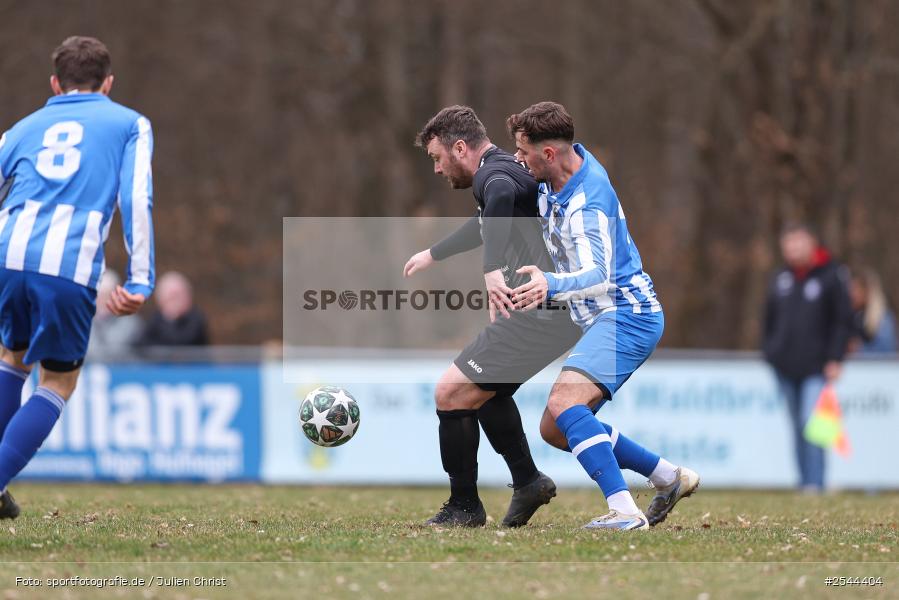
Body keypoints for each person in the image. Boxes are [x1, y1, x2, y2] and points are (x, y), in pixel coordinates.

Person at [506, 102, 699, 530]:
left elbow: (600, 274)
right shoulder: (556, 175)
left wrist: (549, 284)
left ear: (550, 153)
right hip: (606, 318)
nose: (519, 158)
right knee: (556, 427)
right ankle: (668, 477)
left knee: (563, 403)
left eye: (523, 150)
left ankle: (624, 512)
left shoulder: (587, 201)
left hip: (628, 315)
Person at [404, 105, 582, 527]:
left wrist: (490, 272)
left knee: (450, 392)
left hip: (541, 312)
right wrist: (433, 253)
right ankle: (527, 481)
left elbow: (498, 197)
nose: (437, 169)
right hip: (550, 312)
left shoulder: (493, 176)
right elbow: (488, 216)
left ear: (460, 147)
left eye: (437, 157)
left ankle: (465, 507)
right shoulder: (502, 164)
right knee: (482, 392)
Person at [0, 36, 154, 517]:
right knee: (59, 382)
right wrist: (141, 277)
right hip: (66, 265)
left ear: (54, 83)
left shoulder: (20, 128)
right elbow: (136, 199)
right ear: (108, 84)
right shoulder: (130, 123)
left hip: (7, 254)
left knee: (11, 357)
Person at [762, 223, 851, 492]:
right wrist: (770, 352)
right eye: (787, 243)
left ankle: (816, 483)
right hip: (784, 367)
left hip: (817, 367)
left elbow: (842, 321)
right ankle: (804, 483)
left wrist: (835, 358)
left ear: (811, 242)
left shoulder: (831, 275)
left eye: (797, 242)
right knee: (797, 428)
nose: (792, 249)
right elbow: (769, 319)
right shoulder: (781, 278)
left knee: (811, 424)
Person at [138, 271, 208, 346]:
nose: (175, 302)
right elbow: (141, 344)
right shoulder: (154, 319)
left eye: (177, 296)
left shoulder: (196, 319)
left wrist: (171, 319)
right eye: (171, 297)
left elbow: (181, 343)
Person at [86, 269, 143, 361]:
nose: (103, 300)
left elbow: (120, 353)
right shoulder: (83, 321)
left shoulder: (131, 323)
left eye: (107, 295)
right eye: (99, 295)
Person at [849, 268, 897, 354]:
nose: (852, 294)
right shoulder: (855, 316)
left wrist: (859, 349)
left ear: (867, 291)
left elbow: (886, 351)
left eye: (855, 289)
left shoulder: (883, 319)